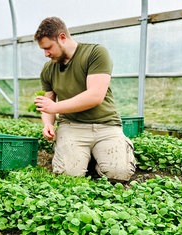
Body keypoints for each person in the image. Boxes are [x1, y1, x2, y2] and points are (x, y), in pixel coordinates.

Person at [33, 17, 136, 182]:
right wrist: (48, 124)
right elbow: (48, 104)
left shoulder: (95, 53)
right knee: (68, 176)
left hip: (106, 125)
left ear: (62, 37)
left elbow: (94, 96)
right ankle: (83, 156)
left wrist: (55, 108)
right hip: (72, 126)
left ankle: (95, 156)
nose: (46, 54)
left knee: (119, 174)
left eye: (48, 48)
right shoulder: (48, 69)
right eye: (43, 50)